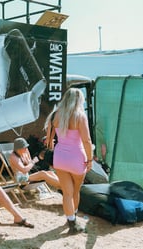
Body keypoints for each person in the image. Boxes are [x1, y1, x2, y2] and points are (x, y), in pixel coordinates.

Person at [44, 88, 93, 234]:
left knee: (67, 193)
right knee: (75, 191)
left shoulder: (55, 115)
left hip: (59, 157)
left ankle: (71, 221)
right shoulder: (80, 116)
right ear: (79, 100)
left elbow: (48, 140)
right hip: (77, 158)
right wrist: (90, 159)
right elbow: (87, 140)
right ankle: (74, 217)